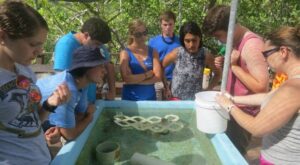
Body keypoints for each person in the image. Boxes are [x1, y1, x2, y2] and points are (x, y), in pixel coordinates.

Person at [216, 26, 300, 164]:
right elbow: (267, 97)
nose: (264, 60)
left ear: (283, 51)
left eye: (266, 54)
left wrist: (229, 106)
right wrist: (232, 98)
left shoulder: (293, 88)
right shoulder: (292, 81)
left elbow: (256, 128)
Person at [0, 1, 70, 164]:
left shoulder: (25, 71)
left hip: (42, 158)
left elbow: (34, 118)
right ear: (2, 36)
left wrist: (51, 104)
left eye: (41, 45)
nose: (39, 52)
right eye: (33, 44)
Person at [202, 5, 269, 155]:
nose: (218, 40)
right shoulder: (234, 41)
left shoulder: (252, 46)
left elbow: (262, 87)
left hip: (243, 113)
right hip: (231, 106)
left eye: (219, 35)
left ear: (231, 27)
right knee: (223, 151)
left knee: (234, 155)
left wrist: (233, 66)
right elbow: (241, 68)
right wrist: (225, 62)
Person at [37, 46, 107, 141]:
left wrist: (81, 118)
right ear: (87, 67)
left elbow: (80, 113)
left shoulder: (81, 83)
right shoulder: (67, 88)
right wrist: (89, 118)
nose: (105, 71)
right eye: (101, 66)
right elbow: (69, 134)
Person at [53, 17, 116, 102]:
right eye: (97, 44)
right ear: (86, 35)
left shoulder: (98, 44)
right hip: (70, 102)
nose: (98, 48)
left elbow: (109, 65)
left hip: (89, 101)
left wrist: (112, 91)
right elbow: (61, 78)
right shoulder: (66, 44)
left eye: (100, 45)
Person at [162, 21, 221, 100]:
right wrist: (166, 87)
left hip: (196, 101)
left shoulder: (205, 55)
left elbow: (218, 74)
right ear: (183, 40)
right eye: (187, 41)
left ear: (199, 38)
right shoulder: (177, 53)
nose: (191, 45)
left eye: (194, 40)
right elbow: (161, 66)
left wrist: (207, 90)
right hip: (176, 100)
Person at [120, 19, 162, 101]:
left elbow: (158, 77)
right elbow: (126, 78)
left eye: (144, 33)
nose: (143, 37)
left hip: (150, 99)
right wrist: (146, 75)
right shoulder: (125, 53)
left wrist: (135, 79)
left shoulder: (153, 52)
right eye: (138, 34)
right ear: (131, 35)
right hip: (130, 100)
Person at [148, 11, 181, 100]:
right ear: (161, 25)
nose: (168, 27)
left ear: (174, 24)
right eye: (165, 25)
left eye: (170, 24)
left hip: (176, 80)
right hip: (158, 81)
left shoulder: (181, 41)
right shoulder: (153, 42)